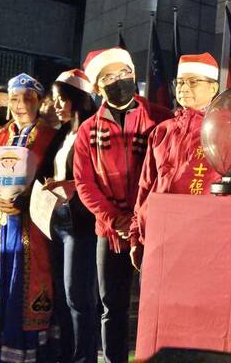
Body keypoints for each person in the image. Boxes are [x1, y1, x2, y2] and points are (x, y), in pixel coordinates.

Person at [72, 47, 171, 363]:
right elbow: (84, 183)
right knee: (112, 306)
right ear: (97, 86)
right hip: (111, 230)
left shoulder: (160, 118)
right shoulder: (88, 130)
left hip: (154, 228)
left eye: (124, 73)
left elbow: (169, 171)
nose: (119, 80)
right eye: (109, 77)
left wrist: (142, 218)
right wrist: (115, 219)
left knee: (156, 303)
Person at [130, 53, 222, 270]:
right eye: (179, 82)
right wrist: (135, 235)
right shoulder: (162, 130)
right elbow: (145, 186)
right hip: (155, 235)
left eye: (193, 82)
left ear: (213, 88)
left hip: (200, 239)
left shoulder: (224, 131)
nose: (183, 88)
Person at [0, 74, 57, 362]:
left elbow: (53, 180)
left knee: (28, 283)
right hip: (4, 223)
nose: (20, 105)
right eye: (14, 99)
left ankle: (31, 352)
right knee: (4, 280)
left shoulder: (50, 136)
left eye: (27, 98)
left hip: (35, 227)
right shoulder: (1, 135)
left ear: (39, 101)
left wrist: (26, 201)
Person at [39, 70, 99, 363]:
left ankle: (84, 357)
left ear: (80, 99)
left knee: (78, 295)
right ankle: (65, 354)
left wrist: (71, 185)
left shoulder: (95, 132)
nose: (57, 105)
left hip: (81, 222)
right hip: (57, 220)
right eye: (55, 99)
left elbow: (99, 177)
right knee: (62, 296)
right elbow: (45, 171)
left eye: (63, 99)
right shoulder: (62, 134)